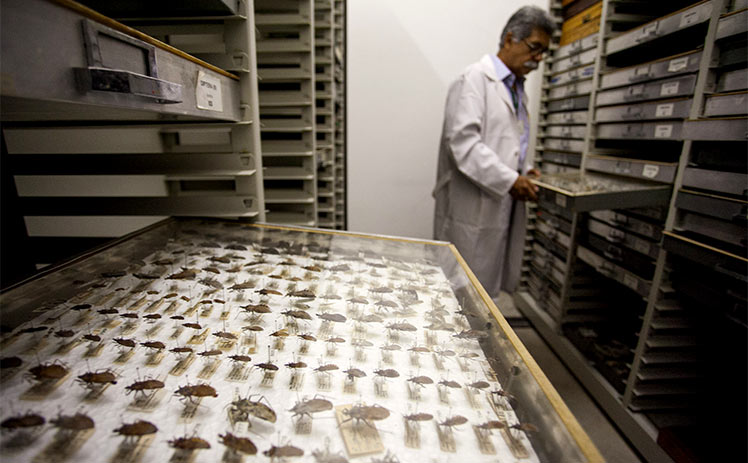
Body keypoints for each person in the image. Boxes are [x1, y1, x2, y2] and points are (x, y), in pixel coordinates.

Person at [432, 6, 555, 298]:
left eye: (543, 52)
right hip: (471, 208)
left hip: (498, 205)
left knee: (482, 296)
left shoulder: (516, 90)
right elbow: (464, 144)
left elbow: (509, 144)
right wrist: (511, 180)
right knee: (459, 294)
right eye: (534, 48)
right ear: (510, 39)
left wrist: (523, 173)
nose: (538, 59)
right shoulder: (473, 80)